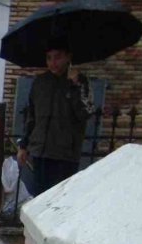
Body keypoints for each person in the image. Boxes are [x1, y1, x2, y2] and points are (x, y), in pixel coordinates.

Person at [17, 36, 93, 195]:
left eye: (58, 57)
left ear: (68, 57)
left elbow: (84, 113)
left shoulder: (81, 82)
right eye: (49, 58)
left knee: (59, 201)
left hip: (64, 155)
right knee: (39, 198)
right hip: (40, 152)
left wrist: (74, 86)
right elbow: (32, 116)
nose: (53, 63)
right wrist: (24, 146)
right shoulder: (40, 82)